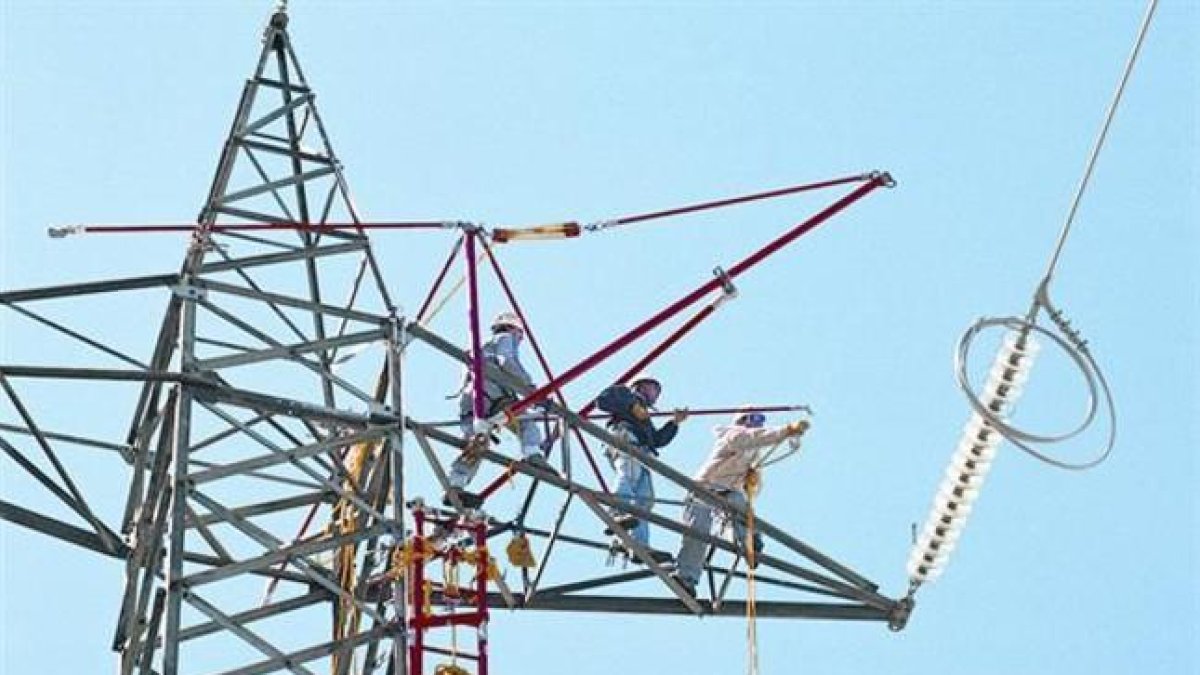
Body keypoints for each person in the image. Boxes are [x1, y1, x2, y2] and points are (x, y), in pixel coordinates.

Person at [671, 408, 809, 596]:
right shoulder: (733, 436)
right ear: (743, 420)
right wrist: (786, 431)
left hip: (728, 493)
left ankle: (748, 541)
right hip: (704, 489)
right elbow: (755, 438)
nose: (759, 424)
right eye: (755, 419)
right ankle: (686, 577)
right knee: (698, 532)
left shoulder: (752, 453)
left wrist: (752, 480)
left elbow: (753, 487)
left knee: (740, 505)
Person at [445, 311, 547, 509]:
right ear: (513, 329)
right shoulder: (505, 338)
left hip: (471, 399)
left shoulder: (481, 348)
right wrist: (530, 389)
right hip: (492, 396)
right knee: (526, 422)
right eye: (520, 335)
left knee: (476, 445)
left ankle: (455, 486)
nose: (519, 339)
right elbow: (507, 362)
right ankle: (533, 454)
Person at [597, 375, 689, 561]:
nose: (656, 394)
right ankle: (616, 512)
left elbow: (656, 440)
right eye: (653, 388)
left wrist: (674, 423)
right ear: (640, 386)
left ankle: (639, 545)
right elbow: (602, 401)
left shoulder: (644, 417)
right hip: (625, 438)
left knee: (645, 499)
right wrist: (630, 405)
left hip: (641, 450)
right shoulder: (624, 393)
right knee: (628, 477)